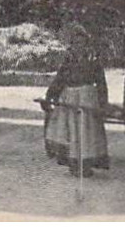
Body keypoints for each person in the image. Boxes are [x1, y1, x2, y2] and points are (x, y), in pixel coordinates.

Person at [43, 22, 111, 175]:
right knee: (70, 131)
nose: (79, 46)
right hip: (70, 99)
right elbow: (59, 80)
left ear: (86, 44)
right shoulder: (68, 61)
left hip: (87, 98)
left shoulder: (93, 61)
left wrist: (103, 102)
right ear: (72, 45)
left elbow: (101, 82)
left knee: (87, 132)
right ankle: (73, 163)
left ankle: (86, 164)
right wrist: (50, 96)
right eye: (75, 43)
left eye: (82, 43)